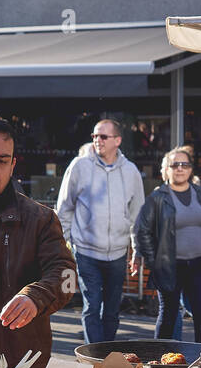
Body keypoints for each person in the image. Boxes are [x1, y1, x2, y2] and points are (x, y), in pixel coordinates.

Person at [0, 113, 76, 368]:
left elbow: (66, 275)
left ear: (12, 166)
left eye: (2, 161)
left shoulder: (39, 218)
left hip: (17, 363)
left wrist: (35, 296)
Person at [55, 118, 144, 344]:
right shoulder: (79, 166)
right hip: (86, 251)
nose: (97, 140)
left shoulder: (131, 171)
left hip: (117, 252)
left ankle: (105, 352)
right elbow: (64, 208)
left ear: (117, 140)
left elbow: (137, 215)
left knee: (112, 310)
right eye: (94, 136)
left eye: (103, 136)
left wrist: (137, 249)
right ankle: (94, 357)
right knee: (92, 305)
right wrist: (63, 244)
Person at [133, 147, 201, 344]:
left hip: (199, 265)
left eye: (185, 164)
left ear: (191, 170)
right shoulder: (158, 198)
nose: (180, 168)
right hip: (169, 265)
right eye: (174, 165)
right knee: (169, 315)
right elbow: (141, 229)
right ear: (165, 170)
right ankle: (161, 361)